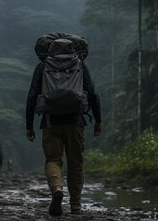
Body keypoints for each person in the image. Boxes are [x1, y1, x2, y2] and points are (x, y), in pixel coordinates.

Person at [26, 38, 102, 217]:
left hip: (51, 122)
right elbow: (92, 93)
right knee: (76, 163)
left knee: (53, 160)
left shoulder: (43, 66)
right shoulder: (80, 65)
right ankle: (75, 206)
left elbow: (31, 96)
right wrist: (98, 119)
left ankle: (57, 189)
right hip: (76, 121)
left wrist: (29, 125)